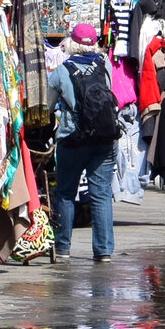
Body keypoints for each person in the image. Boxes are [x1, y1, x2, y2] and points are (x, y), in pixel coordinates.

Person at [49, 21, 119, 260]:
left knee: (66, 192)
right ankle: (103, 250)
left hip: (72, 137)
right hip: (104, 136)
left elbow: (47, 107)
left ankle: (62, 248)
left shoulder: (61, 71)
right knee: (100, 193)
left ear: (71, 43)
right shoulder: (105, 65)